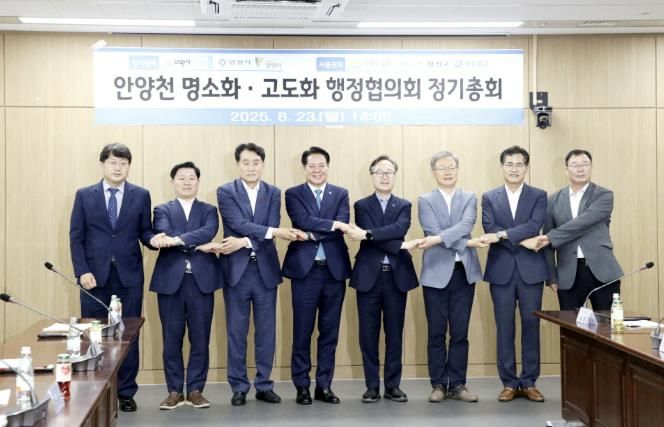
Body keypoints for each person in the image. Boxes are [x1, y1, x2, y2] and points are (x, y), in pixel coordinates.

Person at [69, 143, 158, 412]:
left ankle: (126, 392)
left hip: (129, 277)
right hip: (94, 278)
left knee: (127, 335)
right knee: (93, 335)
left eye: (123, 163)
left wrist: (156, 240)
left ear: (129, 166)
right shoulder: (84, 195)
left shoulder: (141, 195)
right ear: (102, 164)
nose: (118, 168)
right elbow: (76, 237)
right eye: (113, 163)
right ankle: (96, 390)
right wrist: (82, 271)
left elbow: (145, 232)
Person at [215, 143, 300, 406]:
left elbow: (271, 225)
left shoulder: (273, 192)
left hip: (265, 270)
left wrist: (244, 242)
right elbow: (237, 223)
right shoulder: (225, 191)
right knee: (236, 331)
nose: (251, 167)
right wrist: (270, 233)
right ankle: (239, 387)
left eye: (256, 162)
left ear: (262, 165)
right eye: (246, 162)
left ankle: (264, 385)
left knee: (266, 331)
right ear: (238, 164)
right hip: (236, 272)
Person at [347, 155, 419, 403]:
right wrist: (401, 245)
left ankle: (392, 385)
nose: (385, 176)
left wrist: (368, 234)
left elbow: (399, 229)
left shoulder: (404, 205)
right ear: (372, 175)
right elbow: (385, 236)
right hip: (368, 277)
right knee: (368, 334)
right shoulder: (361, 205)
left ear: (395, 176)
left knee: (394, 333)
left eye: (389, 172)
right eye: (380, 172)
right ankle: (371, 386)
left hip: (396, 277)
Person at [282, 146, 351, 405]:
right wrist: (333, 225)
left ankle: (324, 385)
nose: (317, 170)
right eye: (312, 165)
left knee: (329, 331)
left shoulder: (341, 193)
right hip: (305, 272)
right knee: (302, 331)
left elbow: (341, 225)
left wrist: (312, 233)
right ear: (304, 168)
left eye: (322, 165)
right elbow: (302, 219)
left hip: (334, 271)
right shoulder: (293, 194)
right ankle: (302, 386)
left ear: (328, 167)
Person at [149, 161, 221, 410]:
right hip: (171, 282)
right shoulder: (162, 210)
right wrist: (197, 244)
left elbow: (208, 231)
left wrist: (178, 240)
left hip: (202, 281)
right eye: (181, 178)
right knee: (171, 338)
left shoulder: (209, 210)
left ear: (198, 182)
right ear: (173, 182)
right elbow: (163, 232)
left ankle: (196, 390)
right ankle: (174, 391)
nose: (187, 182)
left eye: (191, 178)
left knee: (200, 338)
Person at [417, 151, 487, 403]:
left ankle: (458, 384)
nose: (447, 172)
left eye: (451, 167)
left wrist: (440, 239)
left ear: (458, 170)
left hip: (463, 274)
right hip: (435, 274)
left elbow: (466, 225)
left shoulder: (469, 197)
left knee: (460, 332)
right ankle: (438, 384)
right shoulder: (425, 200)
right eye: (442, 168)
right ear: (433, 172)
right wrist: (467, 243)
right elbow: (432, 229)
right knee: (436, 333)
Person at [481, 145, 549, 403]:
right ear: (502, 167)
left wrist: (503, 235)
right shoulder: (489, 197)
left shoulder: (539, 195)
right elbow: (489, 226)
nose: (514, 168)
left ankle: (529, 381)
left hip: (531, 270)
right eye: (509, 164)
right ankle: (509, 382)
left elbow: (535, 225)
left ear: (526, 167)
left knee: (531, 326)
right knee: (504, 327)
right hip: (501, 271)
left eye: (519, 164)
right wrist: (522, 240)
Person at [539, 149, 623, 310]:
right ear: (566, 170)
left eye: (585, 164)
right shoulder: (552, 200)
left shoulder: (604, 195)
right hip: (568, 273)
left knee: (607, 323)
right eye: (575, 165)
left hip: (602, 270)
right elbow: (547, 244)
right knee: (569, 323)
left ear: (591, 167)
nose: (580, 169)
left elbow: (583, 222)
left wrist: (551, 237)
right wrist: (551, 276)